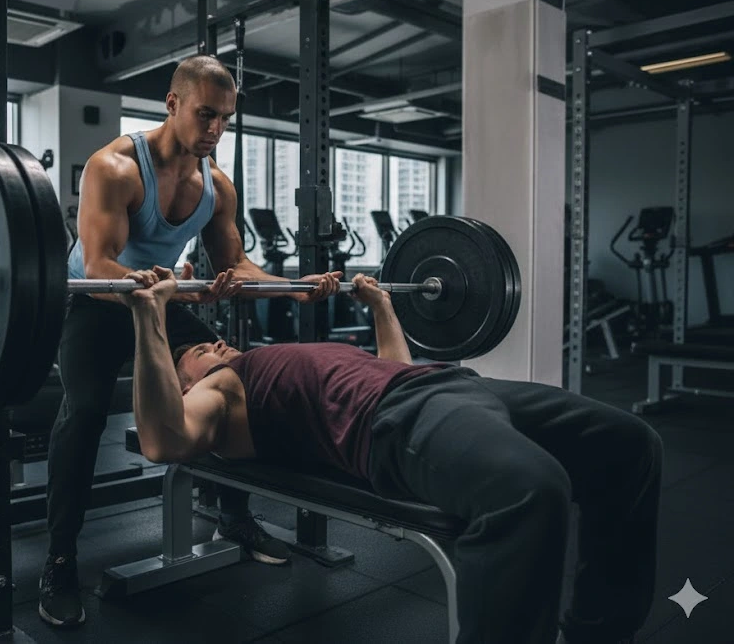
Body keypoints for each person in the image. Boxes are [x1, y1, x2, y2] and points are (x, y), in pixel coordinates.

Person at [118, 266, 663, 644]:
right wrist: (150, 318)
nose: (211, 345)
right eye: (193, 353)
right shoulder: (221, 392)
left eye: (208, 342)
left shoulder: (263, 358)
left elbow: (393, 366)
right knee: (530, 491)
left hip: (446, 385)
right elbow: (162, 440)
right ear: (179, 381)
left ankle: (601, 630)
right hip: (397, 421)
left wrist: (381, 305)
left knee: (630, 443)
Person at [40, 54, 343, 628]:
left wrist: (294, 289)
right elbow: (103, 263)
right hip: (97, 299)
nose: (214, 131)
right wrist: (159, 292)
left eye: (225, 120)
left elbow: (236, 264)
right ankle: (60, 558)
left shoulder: (215, 186)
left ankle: (233, 514)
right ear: (172, 103)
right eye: (205, 115)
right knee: (81, 413)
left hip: (161, 296)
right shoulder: (115, 167)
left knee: (230, 383)